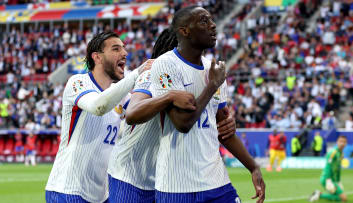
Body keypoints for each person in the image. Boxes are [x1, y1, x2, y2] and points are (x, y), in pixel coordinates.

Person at [107, 28, 237, 203]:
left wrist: (225, 122)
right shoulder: (153, 73)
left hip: (169, 179)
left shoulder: (196, 78)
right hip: (132, 176)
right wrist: (169, 96)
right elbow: (133, 112)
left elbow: (203, 119)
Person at [150, 6, 265, 203]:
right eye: (204, 21)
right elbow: (182, 123)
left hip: (216, 182)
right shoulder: (165, 65)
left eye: (211, 20)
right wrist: (212, 85)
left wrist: (253, 167)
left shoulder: (214, 69)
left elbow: (224, 131)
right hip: (177, 186)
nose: (213, 26)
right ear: (184, 31)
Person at [45, 31, 148, 203]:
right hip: (67, 191)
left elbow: (142, 115)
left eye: (124, 48)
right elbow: (98, 106)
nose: (124, 53)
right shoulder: (78, 83)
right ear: (97, 57)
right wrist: (137, 74)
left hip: (101, 196)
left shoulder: (122, 96)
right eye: (116, 49)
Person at [309, 135, 348, 202]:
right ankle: (319, 195)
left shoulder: (341, 154)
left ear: (346, 143)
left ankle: (318, 194)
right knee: (343, 198)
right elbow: (328, 166)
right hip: (327, 179)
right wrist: (328, 180)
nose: (342, 143)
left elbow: (338, 168)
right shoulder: (333, 152)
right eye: (340, 141)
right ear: (337, 142)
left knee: (340, 198)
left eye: (344, 142)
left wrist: (338, 181)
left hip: (334, 180)